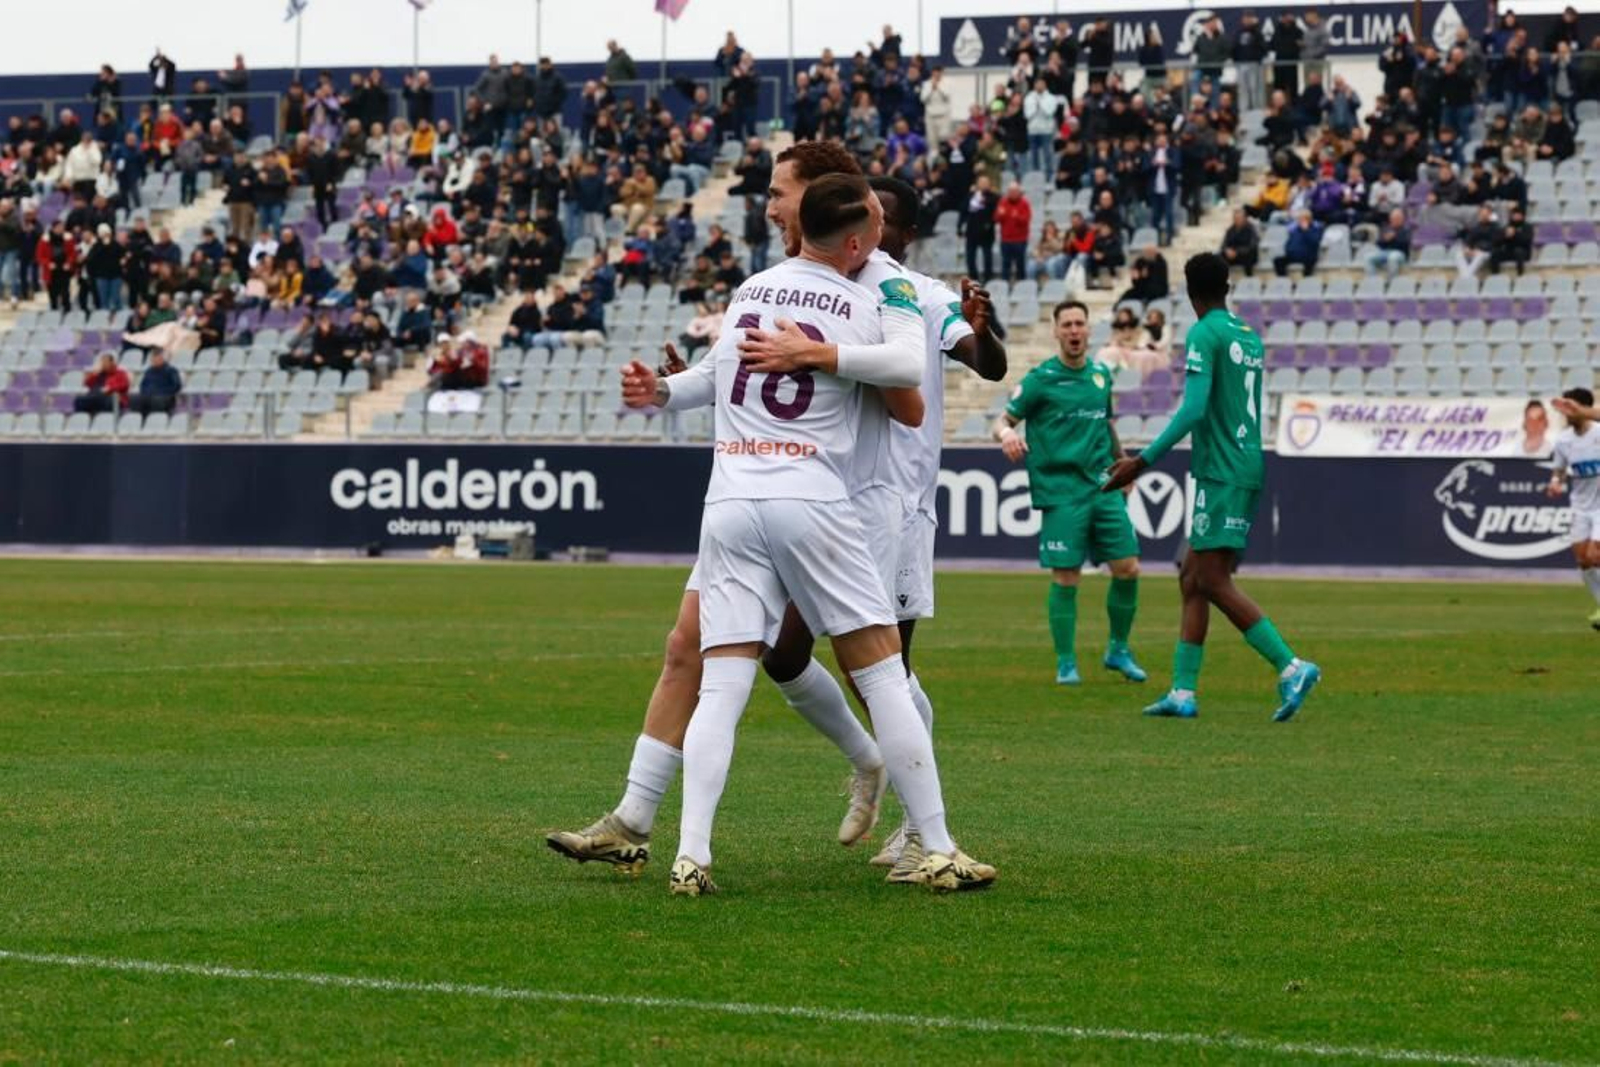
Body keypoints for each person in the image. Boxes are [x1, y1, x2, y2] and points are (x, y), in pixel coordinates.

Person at [546, 143, 996, 891]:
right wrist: (663, 390)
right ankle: (637, 819)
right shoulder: (774, 283)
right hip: (781, 488)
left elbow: (915, 392)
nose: (771, 206)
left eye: (779, 194)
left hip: (853, 497)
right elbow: (727, 366)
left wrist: (818, 354)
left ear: (822, 204)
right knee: (697, 647)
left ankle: (920, 828)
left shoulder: (884, 282)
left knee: (871, 666)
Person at [1103, 253, 1321, 721]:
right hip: (1242, 461)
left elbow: (1194, 409)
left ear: (1187, 290)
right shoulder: (1247, 334)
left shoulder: (1204, 333)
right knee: (1191, 576)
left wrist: (1141, 462)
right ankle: (1183, 693)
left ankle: (1291, 665)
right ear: (1228, 285)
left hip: (1221, 469)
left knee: (1211, 579)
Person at [996, 301, 1146, 687]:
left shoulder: (1100, 375)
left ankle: (1118, 649)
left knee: (1128, 567)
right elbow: (1003, 419)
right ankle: (1066, 662)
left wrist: (1123, 462)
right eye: (1068, 325)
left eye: (1080, 323)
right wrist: (1008, 435)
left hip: (1103, 485)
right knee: (1067, 576)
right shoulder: (1040, 379)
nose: (1075, 331)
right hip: (1062, 491)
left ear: (1089, 330)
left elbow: (1106, 423)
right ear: (1056, 331)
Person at [1546, 388, 1600, 630]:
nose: (1566, 412)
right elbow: (1559, 469)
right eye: (1564, 408)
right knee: (1583, 561)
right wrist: (1556, 482)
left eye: (1571, 407)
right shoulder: (1564, 440)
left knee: (1594, 554)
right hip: (1580, 505)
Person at [994, 180, 1031, 283]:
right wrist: (1001, 215)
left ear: (1019, 192)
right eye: (1010, 191)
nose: (1012, 193)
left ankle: (1022, 284)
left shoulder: (1024, 203)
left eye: (1015, 191)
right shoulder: (1003, 202)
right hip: (1006, 240)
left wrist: (1017, 216)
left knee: (1020, 264)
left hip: (1020, 240)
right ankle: (1005, 285)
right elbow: (996, 218)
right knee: (1006, 264)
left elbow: (1026, 220)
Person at [129, 348, 183, 415]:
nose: (154, 361)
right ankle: (140, 420)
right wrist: (147, 392)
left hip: (164, 396)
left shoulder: (171, 371)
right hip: (148, 395)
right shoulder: (149, 371)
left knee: (157, 400)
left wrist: (159, 392)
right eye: (153, 359)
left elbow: (176, 386)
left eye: (156, 359)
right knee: (134, 399)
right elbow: (143, 385)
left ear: (161, 359)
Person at [1365, 208, 1411, 279]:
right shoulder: (1386, 228)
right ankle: (1373, 281)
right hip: (1385, 252)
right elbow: (1378, 243)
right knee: (1368, 258)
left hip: (1401, 253)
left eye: (1397, 218)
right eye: (1393, 218)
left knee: (1392, 257)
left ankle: (1391, 282)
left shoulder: (1406, 229)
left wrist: (1394, 238)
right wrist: (1385, 240)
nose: (1394, 220)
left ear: (1402, 219)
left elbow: (1405, 244)